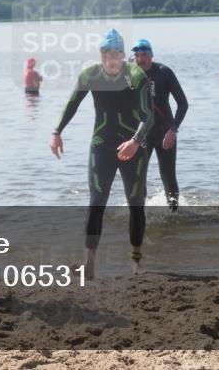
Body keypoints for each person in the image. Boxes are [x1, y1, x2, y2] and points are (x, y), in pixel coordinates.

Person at [50, 29, 153, 277]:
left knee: (135, 204)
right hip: (102, 145)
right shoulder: (90, 74)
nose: (111, 58)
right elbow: (72, 103)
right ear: (101, 54)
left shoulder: (136, 75)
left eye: (116, 53)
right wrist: (56, 131)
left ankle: (136, 262)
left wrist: (136, 141)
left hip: (133, 146)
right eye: (106, 53)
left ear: (122, 54)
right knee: (96, 203)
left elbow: (147, 115)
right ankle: (89, 265)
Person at [130, 39, 189, 212]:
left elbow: (183, 104)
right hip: (141, 134)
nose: (140, 59)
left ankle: (174, 214)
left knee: (168, 175)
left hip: (164, 131)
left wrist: (173, 129)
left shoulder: (164, 72)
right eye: (137, 55)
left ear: (151, 56)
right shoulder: (130, 75)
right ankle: (140, 215)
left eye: (143, 55)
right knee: (138, 176)